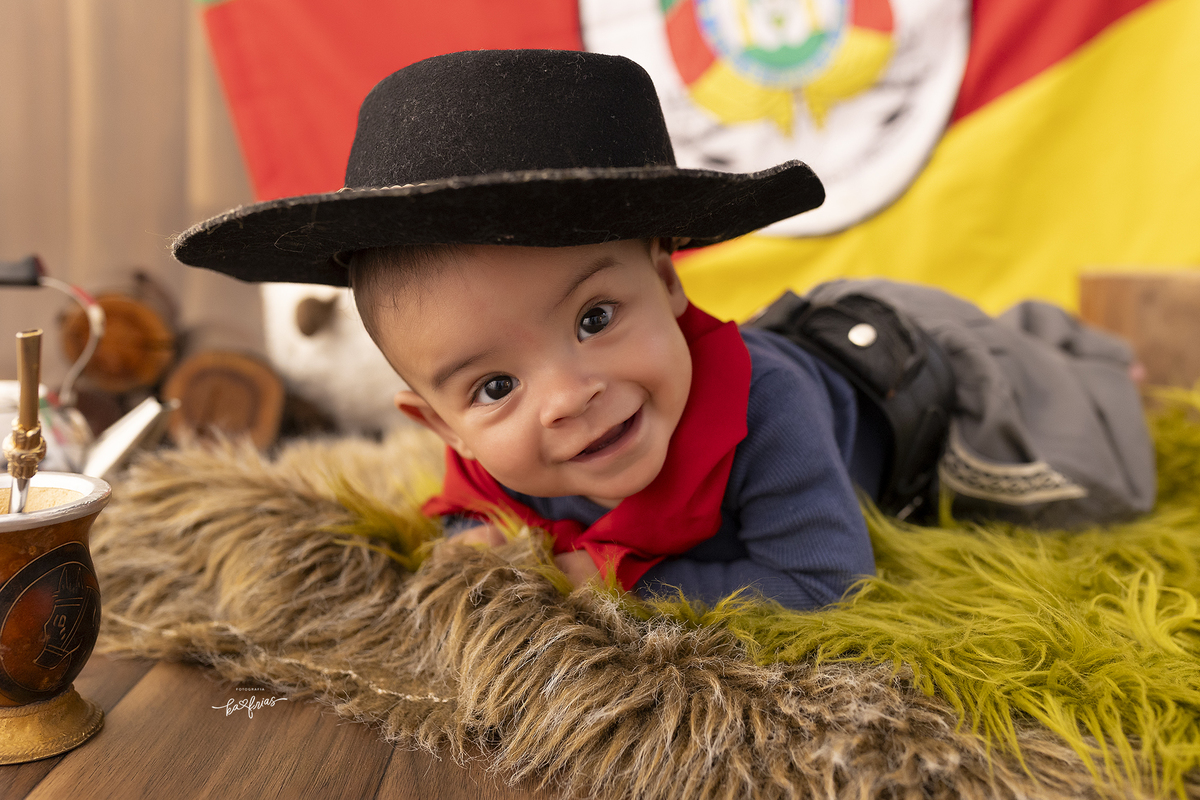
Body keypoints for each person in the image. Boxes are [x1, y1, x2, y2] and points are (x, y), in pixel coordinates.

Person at [173, 49, 1155, 611]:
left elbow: (822, 577)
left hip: (899, 371)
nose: (567, 394)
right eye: (492, 387)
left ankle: (1111, 352)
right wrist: (483, 560)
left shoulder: (762, 409)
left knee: (1066, 422)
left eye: (596, 319)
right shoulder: (500, 452)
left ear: (672, 284)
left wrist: (603, 580)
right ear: (436, 422)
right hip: (838, 348)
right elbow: (474, 532)